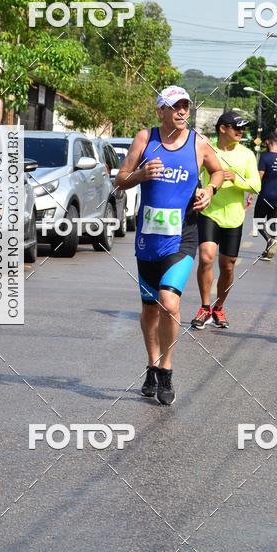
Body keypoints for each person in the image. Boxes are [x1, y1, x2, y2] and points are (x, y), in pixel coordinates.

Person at [115, 86, 223, 405]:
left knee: (169, 302)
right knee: (150, 307)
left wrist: (211, 191)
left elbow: (217, 172)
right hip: (149, 239)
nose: (181, 112)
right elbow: (119, 178)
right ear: (160, 110)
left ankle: (166, 369)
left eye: (185, 107)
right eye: (174, 106)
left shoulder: (199, 144)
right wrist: (139, 174)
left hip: (183, 236)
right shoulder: (144, 139)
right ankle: (151, 363)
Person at [191, 110, 261, 329]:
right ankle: (204, 307)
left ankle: (219, 307)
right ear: (223, 128)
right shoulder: (206, 148)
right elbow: (194, 175)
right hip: (209, 212)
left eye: (243, 128)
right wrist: (198, 192)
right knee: (206, 257)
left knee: (227, 266)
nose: (241, 132)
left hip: (233, 216)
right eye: (236, 127)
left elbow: (255, 186)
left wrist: (235, 178)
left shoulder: (247, 154)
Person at [253, 133, 277, 260]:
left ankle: (269, 240)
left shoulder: (265, 157)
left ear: (267, 142)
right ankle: (269, 252)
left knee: (257, 221)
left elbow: (260, 176)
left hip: (265, 194)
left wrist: (251, 193)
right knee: (272, 222)